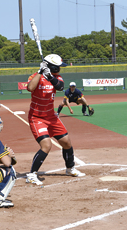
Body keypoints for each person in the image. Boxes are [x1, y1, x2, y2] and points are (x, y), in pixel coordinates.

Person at [25, 54, 85, 186]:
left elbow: (60, 87)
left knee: (66, 142)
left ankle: (70, 169)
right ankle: (32, 174)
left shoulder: (56, 77)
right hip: (37, 117)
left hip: (51, 116)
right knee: (46, 145)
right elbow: (30, 88)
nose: (60, 69)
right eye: (58, 67)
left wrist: (50, 76)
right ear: (51, 66)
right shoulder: (35, 76)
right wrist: (41, 72)